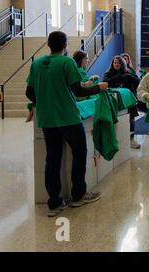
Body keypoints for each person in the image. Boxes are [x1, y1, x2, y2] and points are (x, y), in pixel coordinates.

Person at [25, 31, 108, 217]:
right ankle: (78, 195)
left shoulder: (37, 63)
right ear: (65, 45)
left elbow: (29, 93)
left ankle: (54, 202)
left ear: (48, 44)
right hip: (68, 118)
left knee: (52, 160)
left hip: (47, 120)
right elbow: (78, 91)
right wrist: (99, 87)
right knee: (79, 153)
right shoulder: (67, 62)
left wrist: (46, 101)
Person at [103, 56, 141, 149]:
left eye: (118, 63)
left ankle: (131, 139)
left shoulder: (128, 72)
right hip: (115, 101)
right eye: (114, 62)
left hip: (129, 100)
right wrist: (119, 77)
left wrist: (129, 77)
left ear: (122, 64)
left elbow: (138, 82)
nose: (116, 64)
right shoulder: (108, 73)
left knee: (131, 119)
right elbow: (105, 82)